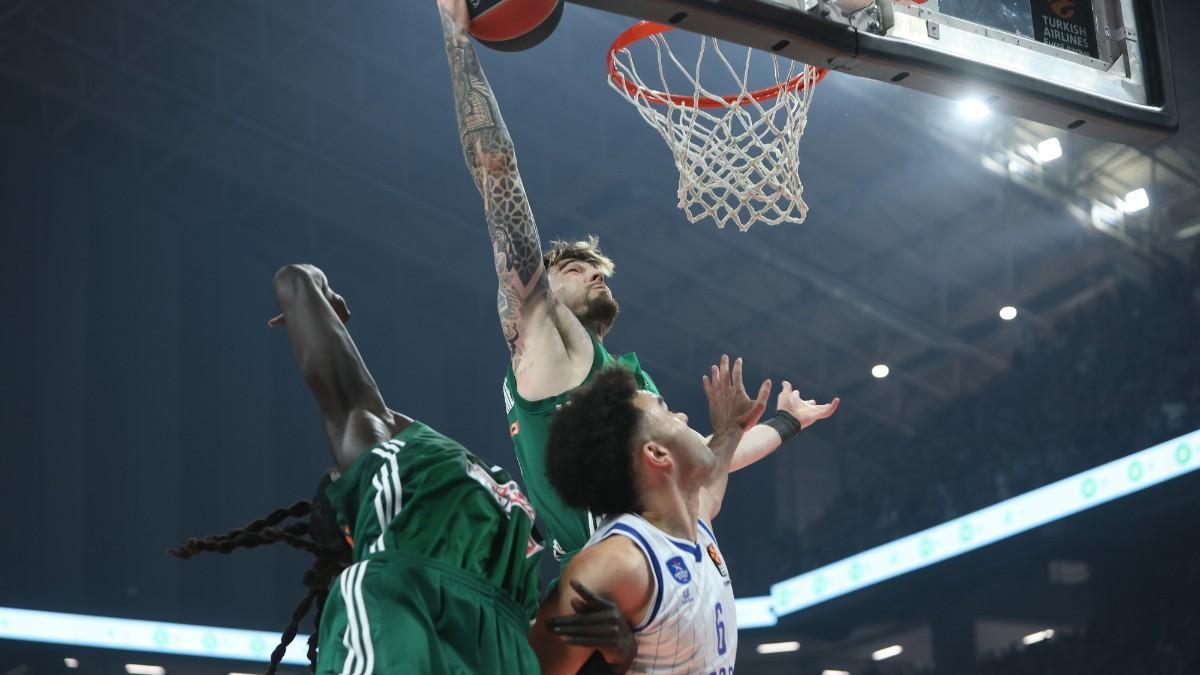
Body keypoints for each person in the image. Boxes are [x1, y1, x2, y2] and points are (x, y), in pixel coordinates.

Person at [436, 0, 828, 569]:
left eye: (597, 268)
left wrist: (785, 423)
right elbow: (496, 167)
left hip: (688, 579)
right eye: (573, 268)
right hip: (614, 586)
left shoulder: (626, 380)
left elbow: (706, 474)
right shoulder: (541, 335)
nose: (594, 272)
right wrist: (457, 40)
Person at [172, 264, 633, 673]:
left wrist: (618, 651)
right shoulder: (383, 462)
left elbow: (295, 282)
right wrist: (319, 299)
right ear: (352, 517)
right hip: (399, 601)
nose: (338, 473)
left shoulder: (504, 573)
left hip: (491, 633)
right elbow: (293, 280)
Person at [529, 356, 839, 673]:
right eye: (665, 410)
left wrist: (776, 421)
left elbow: (719, 463)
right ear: (657, 454)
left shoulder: (695, 516)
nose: (682, 414)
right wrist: (610, 665)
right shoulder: (617, 562)